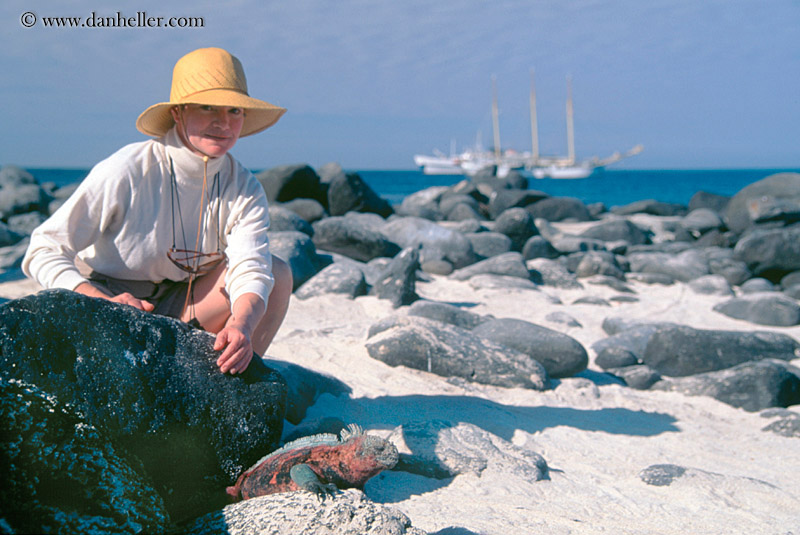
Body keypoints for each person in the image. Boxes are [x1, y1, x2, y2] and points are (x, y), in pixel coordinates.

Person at [23, 47, 292, 376]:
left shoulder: (244, 187)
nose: (223, 123)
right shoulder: (129, 169)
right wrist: (101, 300)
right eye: (207, 107)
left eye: (234, 110)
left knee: (276, 274)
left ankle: (236, 380)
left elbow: (251, 268)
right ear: (178, 113)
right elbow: (43, 249)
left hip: (188, 301)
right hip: (113, 304)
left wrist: (242, 326)